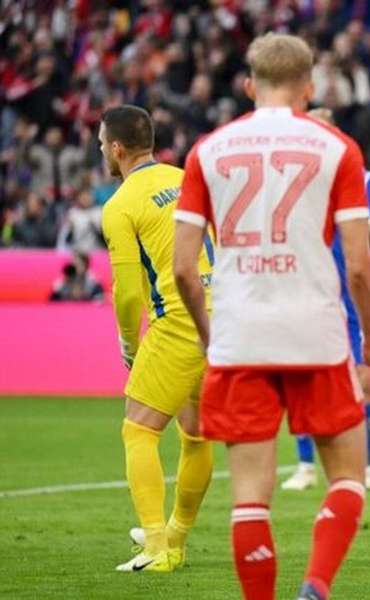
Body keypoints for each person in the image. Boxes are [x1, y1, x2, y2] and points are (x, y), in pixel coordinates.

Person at [172, 33, 370, 600]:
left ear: (248, 85)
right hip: (315, 333)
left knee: (250, 497)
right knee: (347, 476)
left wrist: (207, 335)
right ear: (310, 85)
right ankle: (315, 585)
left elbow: (182, 270)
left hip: (240, 337)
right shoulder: (337, 147)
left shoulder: (207, 150)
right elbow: (361, 265)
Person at [99, 104, 214, 572]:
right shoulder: (187, 177)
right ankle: (175, 538)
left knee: (139, 430)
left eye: (102, 142)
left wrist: (130, 343)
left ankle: (154, 546)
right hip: (221, 320)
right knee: (197, 433)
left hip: (180, 322)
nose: (101, 149)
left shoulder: (122, 204)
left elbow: (128, 292)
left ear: (118, 148)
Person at [281, 107, 370, 494]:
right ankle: (304, 465)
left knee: (363, 381)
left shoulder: (361, 179)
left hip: (348, 294)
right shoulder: (292, 178)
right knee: (300, 377)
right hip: (304, 289)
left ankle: (365, 469)